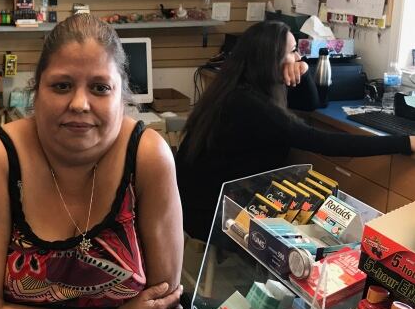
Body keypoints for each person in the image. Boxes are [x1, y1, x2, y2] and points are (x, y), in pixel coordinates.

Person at [0, 14, 183, 309]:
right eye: (62, 86)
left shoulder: (148, 157)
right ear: (36, 92)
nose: (79, 103)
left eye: (100, 88)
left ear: (122, 97)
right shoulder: (0, 157)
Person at [176, 20, 415, 243]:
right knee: (317, 230)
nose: (298, 56)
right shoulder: (249, 105)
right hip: (215, 216)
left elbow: (310, 104)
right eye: (292, 52)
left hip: (201, 205)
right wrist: (405, 142)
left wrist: (302, 70)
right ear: (269, 59)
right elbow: (324, 143)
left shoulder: (235, 87)